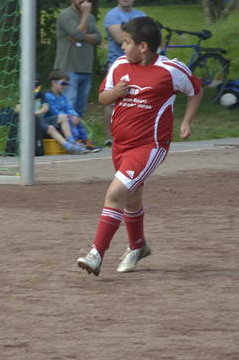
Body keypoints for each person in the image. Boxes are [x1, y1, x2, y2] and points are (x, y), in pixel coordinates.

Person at [76, 17, 202, 276]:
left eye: (126, 42)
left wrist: (186, 121)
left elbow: (195, 90)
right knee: (131, 199)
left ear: (143, 46)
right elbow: (102, 97)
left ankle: (96, 253)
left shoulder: (170, 69)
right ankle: (138, 246)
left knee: (115, 193)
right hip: (120, 145)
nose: (122, 47)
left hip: (150, 145)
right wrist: (116, 93)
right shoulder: (120, 65)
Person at [101, 0, 147, 147]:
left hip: (140, 64)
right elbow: (121, 39)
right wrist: (139, 34)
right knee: (112, 99)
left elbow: (147, 40)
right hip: (117, 63)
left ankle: (135, 134)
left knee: (138, 99)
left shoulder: (141, 15)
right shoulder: (112, 15)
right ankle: (109, 137)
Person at [53, 0, 101, 119]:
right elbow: (78, 35)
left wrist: (80, 35)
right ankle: (65, 138)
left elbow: (98, 38)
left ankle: (76, 137)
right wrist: (84, 16)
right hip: (69, 68)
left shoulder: (91, 17)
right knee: (69, 107)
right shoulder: (65, 15)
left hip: (86, 68)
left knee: (80, 109)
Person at [42, 70, 100, 152]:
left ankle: (84, 141)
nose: (65, 86)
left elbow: (69, 108)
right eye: (63, 83)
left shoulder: (63, 96)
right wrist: (69, 116)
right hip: (52, 120)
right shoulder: (48, 96)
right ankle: (74, 142)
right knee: (67, 119)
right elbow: (54, 112)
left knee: (77, 119)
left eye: (66, 84)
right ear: (53, 83)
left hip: (64, 118)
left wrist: (74, 115)